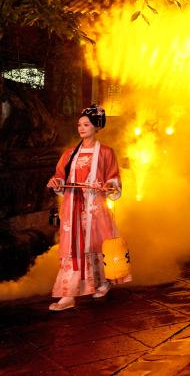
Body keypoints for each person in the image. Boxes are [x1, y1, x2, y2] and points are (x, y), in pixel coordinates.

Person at [46, 105, 130, 311]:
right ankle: (68, 295)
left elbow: (113, 178)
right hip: (73, 206)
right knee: (73, 247)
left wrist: (109, 185)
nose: (81, 128)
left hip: (95, 206)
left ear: (96, 127)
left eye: (86, 125)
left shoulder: (106, 153)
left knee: (97, 244)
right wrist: (56, 182)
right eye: (79, 125)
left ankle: (103, 282)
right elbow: (60, 176)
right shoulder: (69, 154)